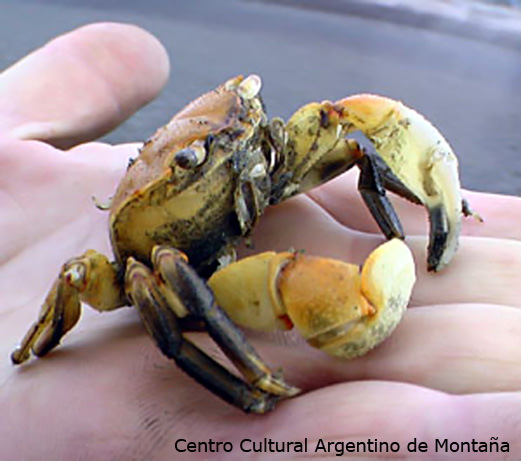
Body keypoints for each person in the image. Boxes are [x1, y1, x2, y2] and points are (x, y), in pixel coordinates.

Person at [1, 23, 520, 460]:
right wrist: (32, 349)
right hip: (167, 262)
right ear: (184, 172)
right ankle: (254, 383)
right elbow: (167, 328)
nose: (245, 137)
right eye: (204, 160)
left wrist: (416, 214)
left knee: (353, 136)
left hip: (218, 194)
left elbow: (362, 140)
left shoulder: (244, 142)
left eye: (246, 111)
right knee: (82, 274)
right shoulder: (148, 268)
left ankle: (426, 216)